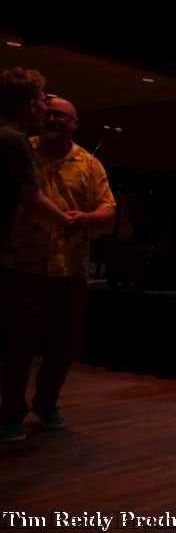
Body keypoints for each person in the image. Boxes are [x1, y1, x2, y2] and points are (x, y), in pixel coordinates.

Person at [0, 68, 75, 442]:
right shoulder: (14, 142)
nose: (47, 109)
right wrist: (66, 221)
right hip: (16, 261)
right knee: (17, 341)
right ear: (30, 105)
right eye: (44, 101)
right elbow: (30, 198)